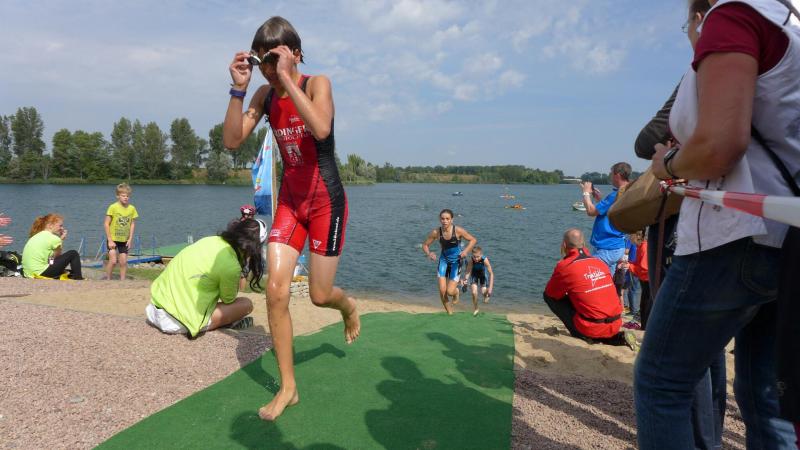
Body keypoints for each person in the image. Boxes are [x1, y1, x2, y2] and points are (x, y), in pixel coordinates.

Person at [635, 0, 799, 447]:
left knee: (661, 382)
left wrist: (667, 164)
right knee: (767, 396)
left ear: (698, 15)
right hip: (789, 237)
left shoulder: (733, 16)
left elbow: (718, 147)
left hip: (732, 236)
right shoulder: (789, 26)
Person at [222, 16, 360, 422]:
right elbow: (231, 140)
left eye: (273, 59)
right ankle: (289, 387)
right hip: (291, 204)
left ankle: (348, 306)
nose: (267, 69)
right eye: (259, 61)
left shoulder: (317, 84)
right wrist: (239, 89)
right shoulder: (265, 95)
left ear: (295, 54)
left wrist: (286, 77)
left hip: (326, 203)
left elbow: (321, 128)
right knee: (275, 291)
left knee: (320, 295)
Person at [146, 219, 262, 337]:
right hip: (175, 322)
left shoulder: (210, 240)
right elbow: (228, 299)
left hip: (154, 309)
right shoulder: (232, 265)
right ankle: (223, 323)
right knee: (246, 304)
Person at [543, 228, 637, 350]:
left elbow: (551, 293)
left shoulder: (565, 266)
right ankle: (616, 337)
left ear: (564, 245)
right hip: (616, 322)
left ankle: (581, 335)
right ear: (584, 244)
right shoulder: (599, 262)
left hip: (592, 327)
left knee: (549, 296)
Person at [579, 162, 631, 276]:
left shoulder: (616, 195)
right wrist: (600, 200)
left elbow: (591, 211)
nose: (610, 177)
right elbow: (612, 211)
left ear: (617, 175)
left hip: (606, 247)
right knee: (607, 281)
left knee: (593, 280)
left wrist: (586, 193)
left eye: (611, 174)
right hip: (617, 246)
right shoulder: (629, 191)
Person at [422, 209, 478, 315]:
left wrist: (465, 251)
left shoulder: (458, 230)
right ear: (440, 219)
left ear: (452, 219)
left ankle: (456, 292)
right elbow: (425, 245)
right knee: (442, 291)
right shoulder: (436, 232)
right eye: (442, 219)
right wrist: (429, 253)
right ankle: (449, 313)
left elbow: (473, 240)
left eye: (447, 219)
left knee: (450, 291)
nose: (445, 221)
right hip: (443, 261)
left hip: (456, 262)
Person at [21, 213, 83, 280]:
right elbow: (57, 257)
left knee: (68, 271)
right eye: (60, 226)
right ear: (50, 225)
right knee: (73, 253)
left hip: (29, 273)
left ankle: (73, 275)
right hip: (40, 272)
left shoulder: (37, 235)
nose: (62, 228)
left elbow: (51, 259)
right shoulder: (54, 238)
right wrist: (61, 239)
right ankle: (78, 277)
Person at [104, 183, 139, 280]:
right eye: (123, 196)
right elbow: (106, 224)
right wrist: (110, 240)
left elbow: (132, 224)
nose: (126, 197)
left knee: (123, 262)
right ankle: (108, 280)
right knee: (113, 261)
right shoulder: (113, 207)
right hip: (113, 239)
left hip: (124, 240)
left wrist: (130, 239)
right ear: (118, 196)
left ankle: (122, 281)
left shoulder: (132, 208)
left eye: (127, 196)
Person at [463, 246, 494, 316]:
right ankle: (476, 308)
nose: (476, 259)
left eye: (478, 257)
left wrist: (490, 289)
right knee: (474, 292)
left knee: (483, 292)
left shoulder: (485, 260)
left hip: (483, 275)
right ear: (472, 255)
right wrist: (465, 280)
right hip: (474, 275)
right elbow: (468, 271)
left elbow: (491, 274)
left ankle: (487, 294)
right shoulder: (471, 260)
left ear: (481, 255)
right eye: (474, 257)